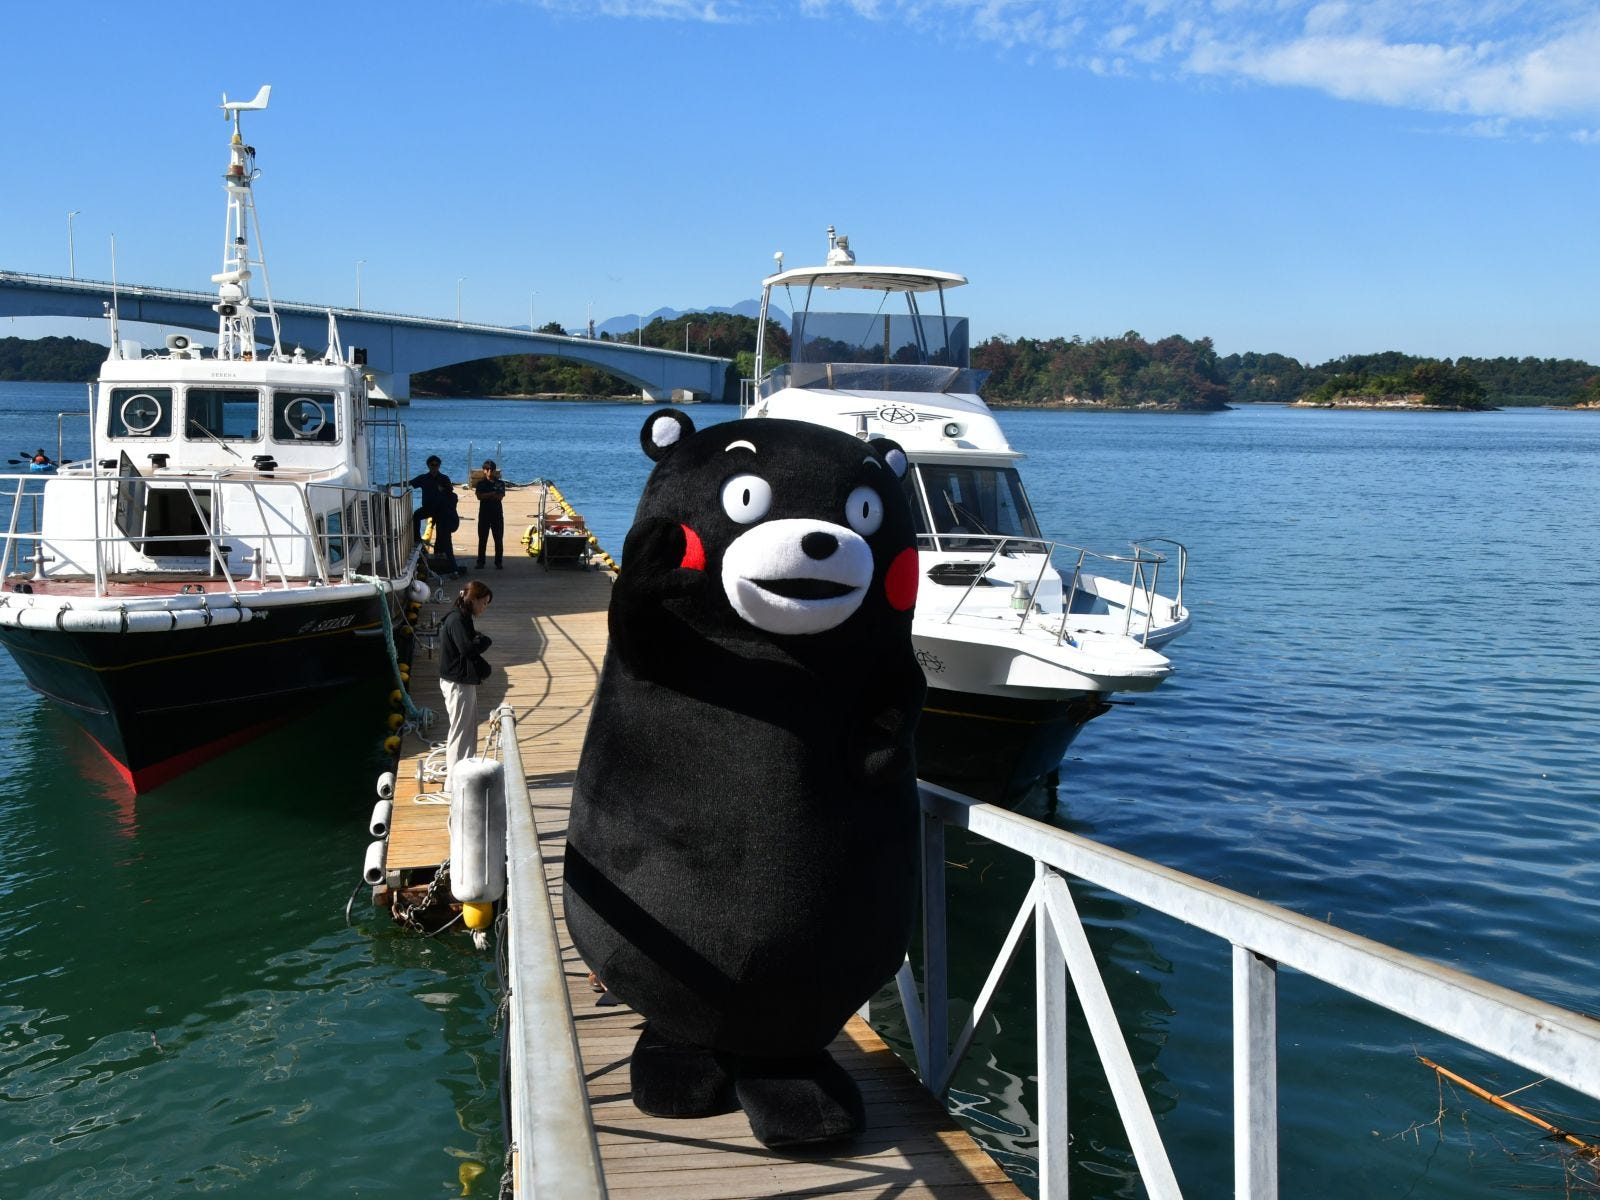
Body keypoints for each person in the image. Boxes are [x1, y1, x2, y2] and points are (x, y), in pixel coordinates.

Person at [438, 580, 493, 789]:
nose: (485, 607)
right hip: (457, 683)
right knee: (460, 731)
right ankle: (454, 782)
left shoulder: (462, 617)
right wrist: (485, 641)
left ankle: (465, 773)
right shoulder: (457, 620)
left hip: (460, 681)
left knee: (468, 729)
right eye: (484, 603)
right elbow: (467, 648)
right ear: (474, 600)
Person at [408, 455, 453, 543]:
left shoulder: (444, 478)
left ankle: (441, 546)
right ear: (428, 465)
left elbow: (451, 493)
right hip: (427, 508)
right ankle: (417, 539)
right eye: (432, 465)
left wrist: (443, 490)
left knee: (442, 533)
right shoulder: (423, 478)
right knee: (416, 515)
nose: (434, 467)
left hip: (441, 509)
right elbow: (410, 483)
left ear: (439, 466)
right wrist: (393, 485)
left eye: (436, 465)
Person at [474, 459, 507, 569]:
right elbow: (479, 496)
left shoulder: (500, 483)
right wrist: (493, 493)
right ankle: (480, 562)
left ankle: (498, 562)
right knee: (482, 539)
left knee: (498, 540)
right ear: (484, 470)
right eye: (487, 469)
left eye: (491, 469)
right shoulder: (480, 483)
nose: (489, 471)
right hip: (484, 515)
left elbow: (500, 497)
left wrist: (487, 495)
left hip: (497, 515)